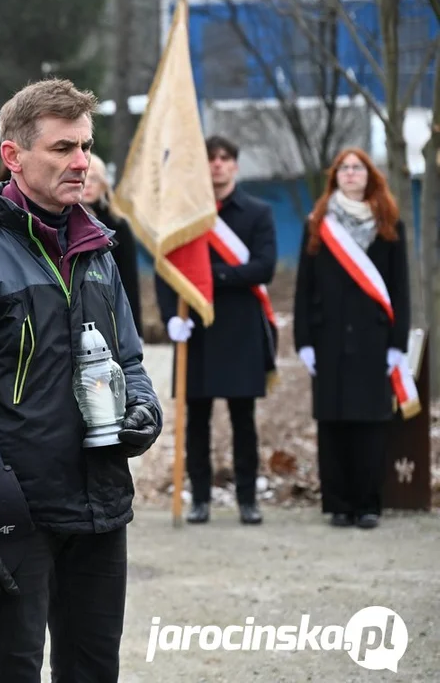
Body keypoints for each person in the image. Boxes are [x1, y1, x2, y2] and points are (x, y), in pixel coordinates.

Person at [0, 79, 162, 681]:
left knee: (94, 665)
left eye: (83, 146)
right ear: (14, 156)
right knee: (14, 668)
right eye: (61, 148)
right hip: (15, 507)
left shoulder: (98, 247)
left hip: (100, 499)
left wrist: (143, 415)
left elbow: (129, 362)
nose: (79, 162)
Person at [156, 135, 276, 526]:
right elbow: (167, 267)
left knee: (244, 421)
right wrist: (168, 315)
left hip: (241, 329)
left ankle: (247, 500)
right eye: (211, 158)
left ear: (236, 166)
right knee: (197, 423)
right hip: (197, 331)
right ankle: (200, 500)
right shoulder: (186, 215)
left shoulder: (257, 212)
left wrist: (210, 278)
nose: (218, 165)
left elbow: (264, 267)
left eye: (225, 158)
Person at [293, 148, 409, 530]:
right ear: (335, 176)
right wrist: (304, 341)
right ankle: (338, 504)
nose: (351, 173)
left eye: (358, 168)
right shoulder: (318, 224)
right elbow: (304, 288)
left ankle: (368, 504)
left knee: (371, 424)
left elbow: (400, 289)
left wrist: (397, 344)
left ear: (370, 175)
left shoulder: (389, 224)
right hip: (327, 339)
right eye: (344, 168)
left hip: (375, 340)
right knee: (333, 422)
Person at [83, 153, 142, 335]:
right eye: (85, 176)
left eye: (94, 178)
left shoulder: (118, 224)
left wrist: (135, 331)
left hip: (110, 311)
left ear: (103, 183)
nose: (89, 183)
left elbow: (129, 280)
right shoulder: (61, 221)